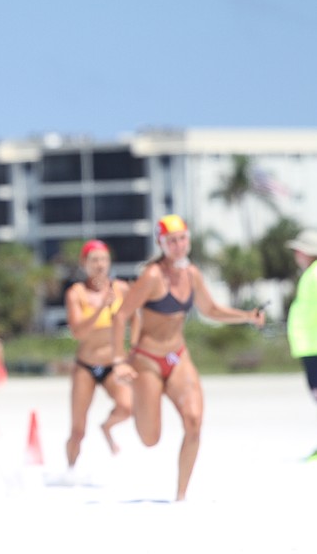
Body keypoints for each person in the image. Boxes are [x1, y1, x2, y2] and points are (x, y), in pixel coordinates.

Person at [110, 215, 265, 501]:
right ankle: (138, 395)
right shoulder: (153, 276)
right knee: (149, 438)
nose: (178, 245)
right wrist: (119, 359)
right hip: (147, 359)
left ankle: (180, 496)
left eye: (182, 239)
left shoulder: (192, 274)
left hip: (177, 356)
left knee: (194, 421)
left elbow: (211, 309)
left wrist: (246, 316)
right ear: (161, 243)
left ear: (188, 240)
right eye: (171, 241)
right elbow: (121, 314)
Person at [63, 239, 136, 477]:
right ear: (84, 264)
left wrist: (133, 349)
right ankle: (71, 468)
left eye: (103, 259)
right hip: (86, 365)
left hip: (113, 363)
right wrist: (100, 308)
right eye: (94, 260)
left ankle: (107, 427)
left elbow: (137, 319)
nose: (99, 265)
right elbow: (77, 332)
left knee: (127, 407)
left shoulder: (121, 289)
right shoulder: (77, 293)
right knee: (77, 430)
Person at [285, 229, 317, 462]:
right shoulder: (310, 274)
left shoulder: (314, 275)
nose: (296, 254)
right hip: (308, 345)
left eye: (298, 250)